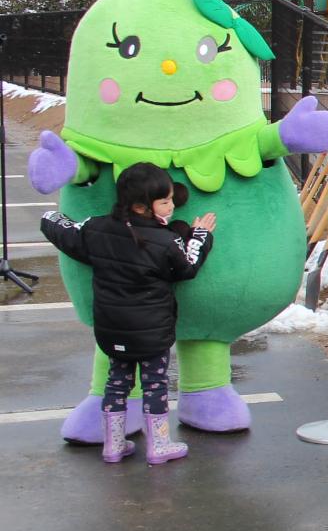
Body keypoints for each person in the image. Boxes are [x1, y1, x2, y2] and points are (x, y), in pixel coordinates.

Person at [41, 162, 215, 465]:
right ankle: (159, 445)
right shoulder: (165, 241)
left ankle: (113, 444)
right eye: (165, 201)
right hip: (152, 332)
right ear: (140, 206)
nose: (172, 206)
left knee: (117, 383)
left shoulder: (95, 229)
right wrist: (200, 234)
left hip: (112, 330)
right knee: (155, 384)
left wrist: (52, 216)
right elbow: (187, 267)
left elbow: (58, 227)